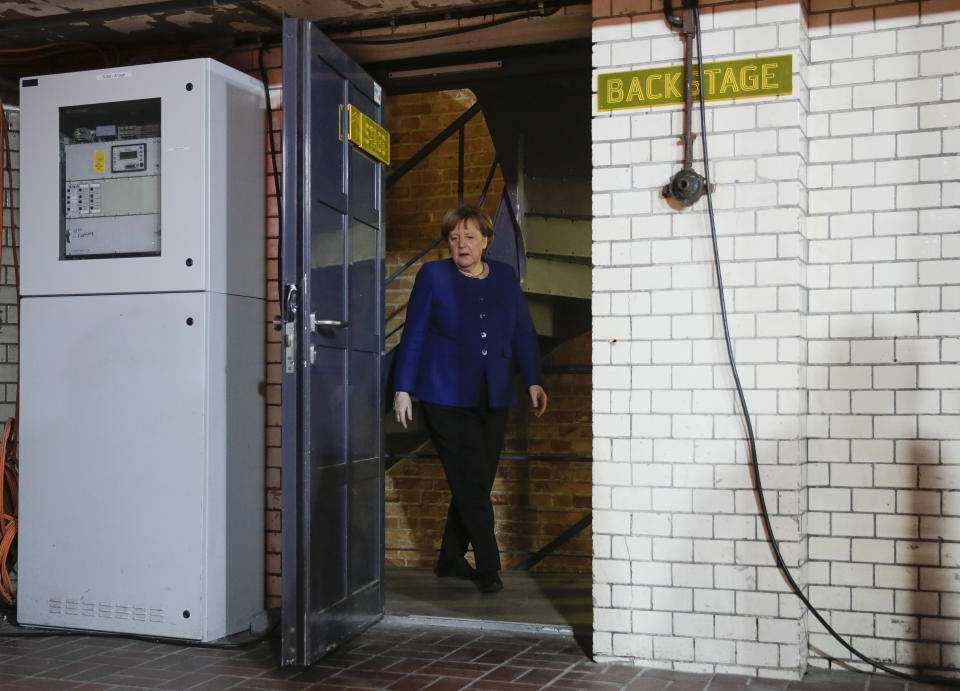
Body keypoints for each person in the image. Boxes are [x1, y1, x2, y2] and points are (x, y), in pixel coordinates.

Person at [393, 205, 548, 594]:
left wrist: (533, 381)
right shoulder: (433, 275)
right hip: (443, 394)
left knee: (476, 479)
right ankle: (489, 565)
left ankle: (449, 558)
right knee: (469, 480)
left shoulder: (506, 278)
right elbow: (413, 334)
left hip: (493, 394)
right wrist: (402, 388)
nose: (461, 245)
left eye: (470, 238)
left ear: (486, 242)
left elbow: (523, 331)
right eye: (454, 238)